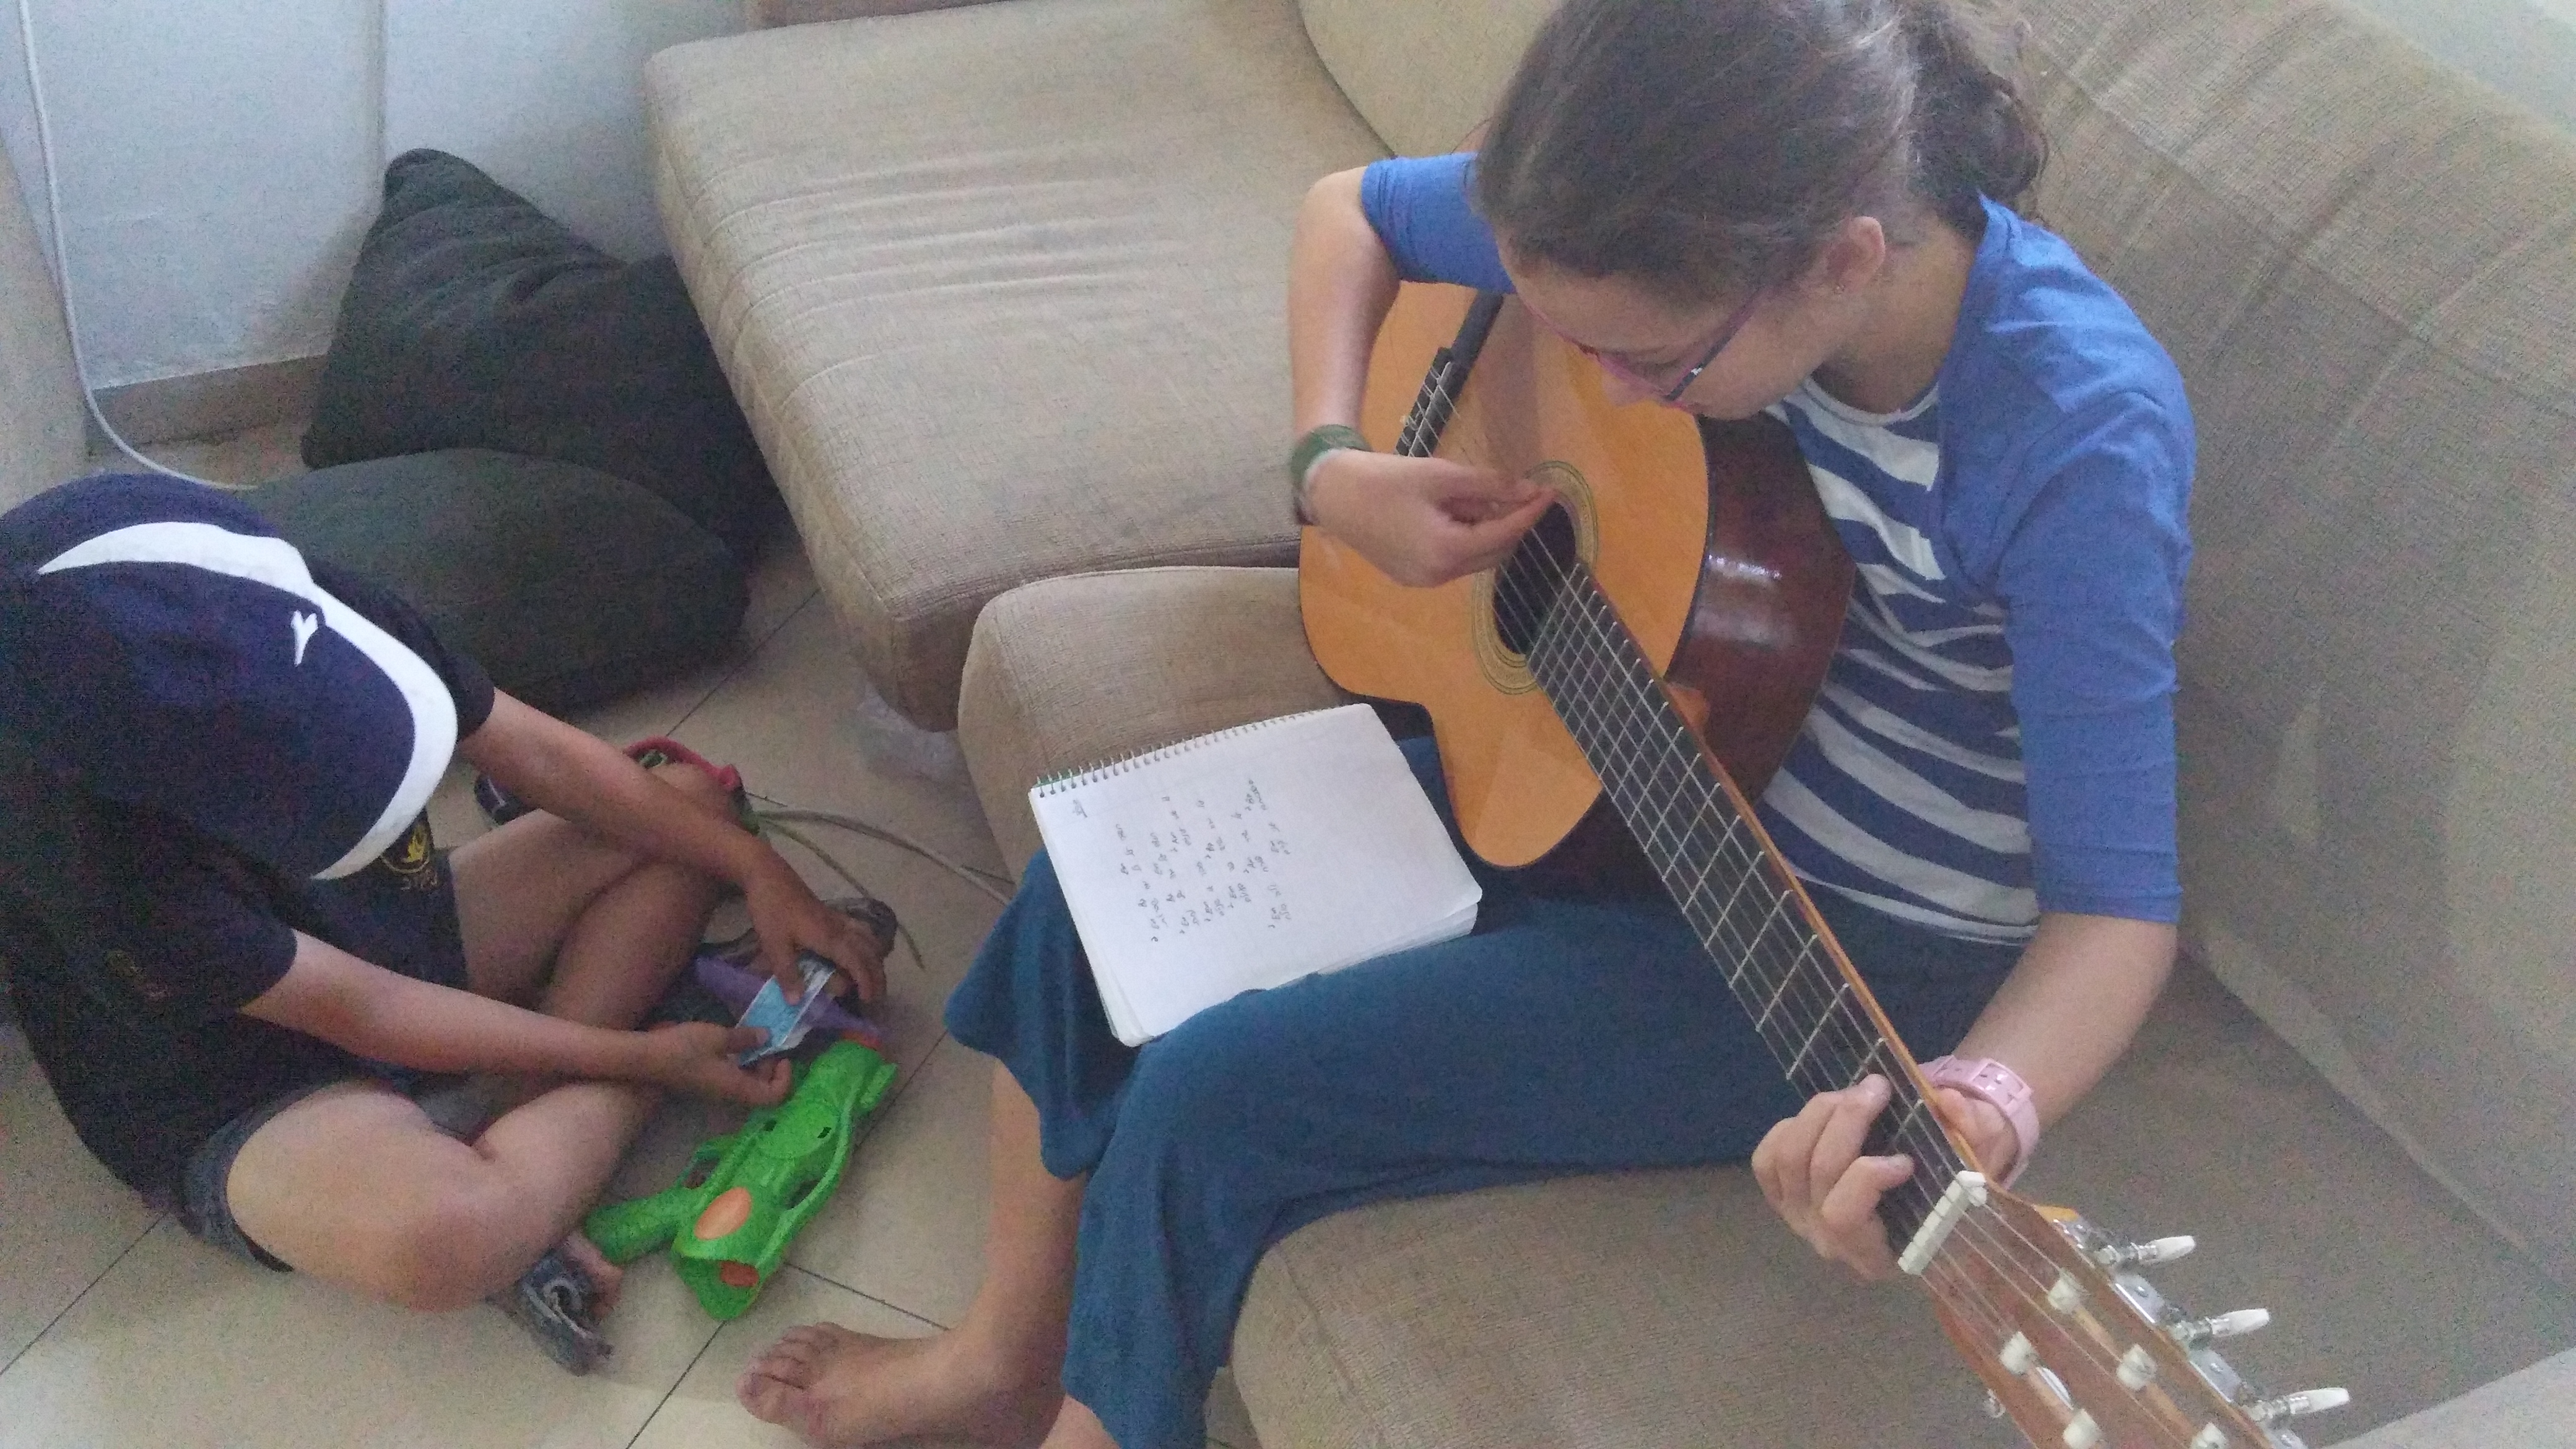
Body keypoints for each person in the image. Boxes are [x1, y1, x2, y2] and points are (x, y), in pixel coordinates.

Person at [735, 0, 2192, 1443]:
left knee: (1213, 1099)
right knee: (1100, 890)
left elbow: (2115, 912)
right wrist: (1330, 464)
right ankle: (998, 1357)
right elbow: (1350, 213)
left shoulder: (2077, 434)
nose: (1612, 392)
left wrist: (1981, 1101)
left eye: (1651, 363)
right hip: (1618, 764)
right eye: (1572, 341)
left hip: (1848, 936)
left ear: (1842, 262)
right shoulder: (1650, 213)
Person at [0, 472, 889, 1372]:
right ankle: (634, 1068)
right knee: (447, 1237)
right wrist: (641, 1062)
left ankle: (528, 1120)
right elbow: (367, 1011)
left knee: (690, 814)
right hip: (237, 1078)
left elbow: (529, 746)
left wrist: (757, 868)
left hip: (385, 926)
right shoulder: (84, 851)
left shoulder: (259, 588)